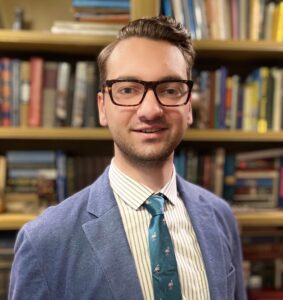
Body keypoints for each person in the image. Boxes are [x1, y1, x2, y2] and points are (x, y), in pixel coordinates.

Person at [9, 16, 247, 300]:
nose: (150, 110)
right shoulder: (45, 240)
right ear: (102, 107)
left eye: (169, 90)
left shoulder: (220, 217)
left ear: (189, 106)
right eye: (127, 90)